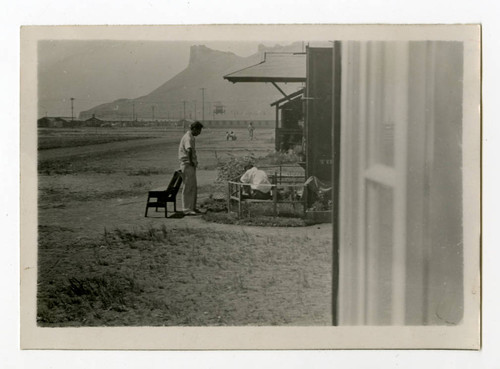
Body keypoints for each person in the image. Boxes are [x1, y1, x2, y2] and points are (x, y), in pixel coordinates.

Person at [178, 121, 203, 215]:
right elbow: (189, 150)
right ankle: (187, 209)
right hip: (187, 165)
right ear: (194, 129)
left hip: (189, 165)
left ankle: (192, 207)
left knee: (192, 187)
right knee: (188, 187)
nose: (199, 133)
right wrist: (191, 161)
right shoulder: (188, 137)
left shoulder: (190, 137)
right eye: (199, 130)